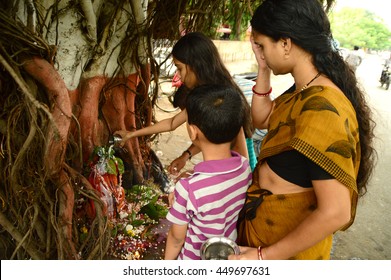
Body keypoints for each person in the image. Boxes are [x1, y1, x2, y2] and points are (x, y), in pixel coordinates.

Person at [229, 0, 376, 260]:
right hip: (267, 239)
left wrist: (264, 256)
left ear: (285, 44)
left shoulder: (323, 109)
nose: (260, 53)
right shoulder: (304, 90)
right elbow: (262, 119)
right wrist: (263, 68)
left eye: (263, 46)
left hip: (285, 256)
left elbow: (336, 212)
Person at [115, 32, 255, 173]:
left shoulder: (224, 101)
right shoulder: (206, 96)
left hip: (238, 175)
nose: (179, 75)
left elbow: (243, 164)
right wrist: (131, 134)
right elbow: (171, 123)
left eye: (179, 68)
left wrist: (201, 178)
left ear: (195, 65)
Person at [164, 84, 252, 260]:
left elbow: (176, 239)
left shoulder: (188, 189)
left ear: (192, 131)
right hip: (226, 253)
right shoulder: (244, 167)